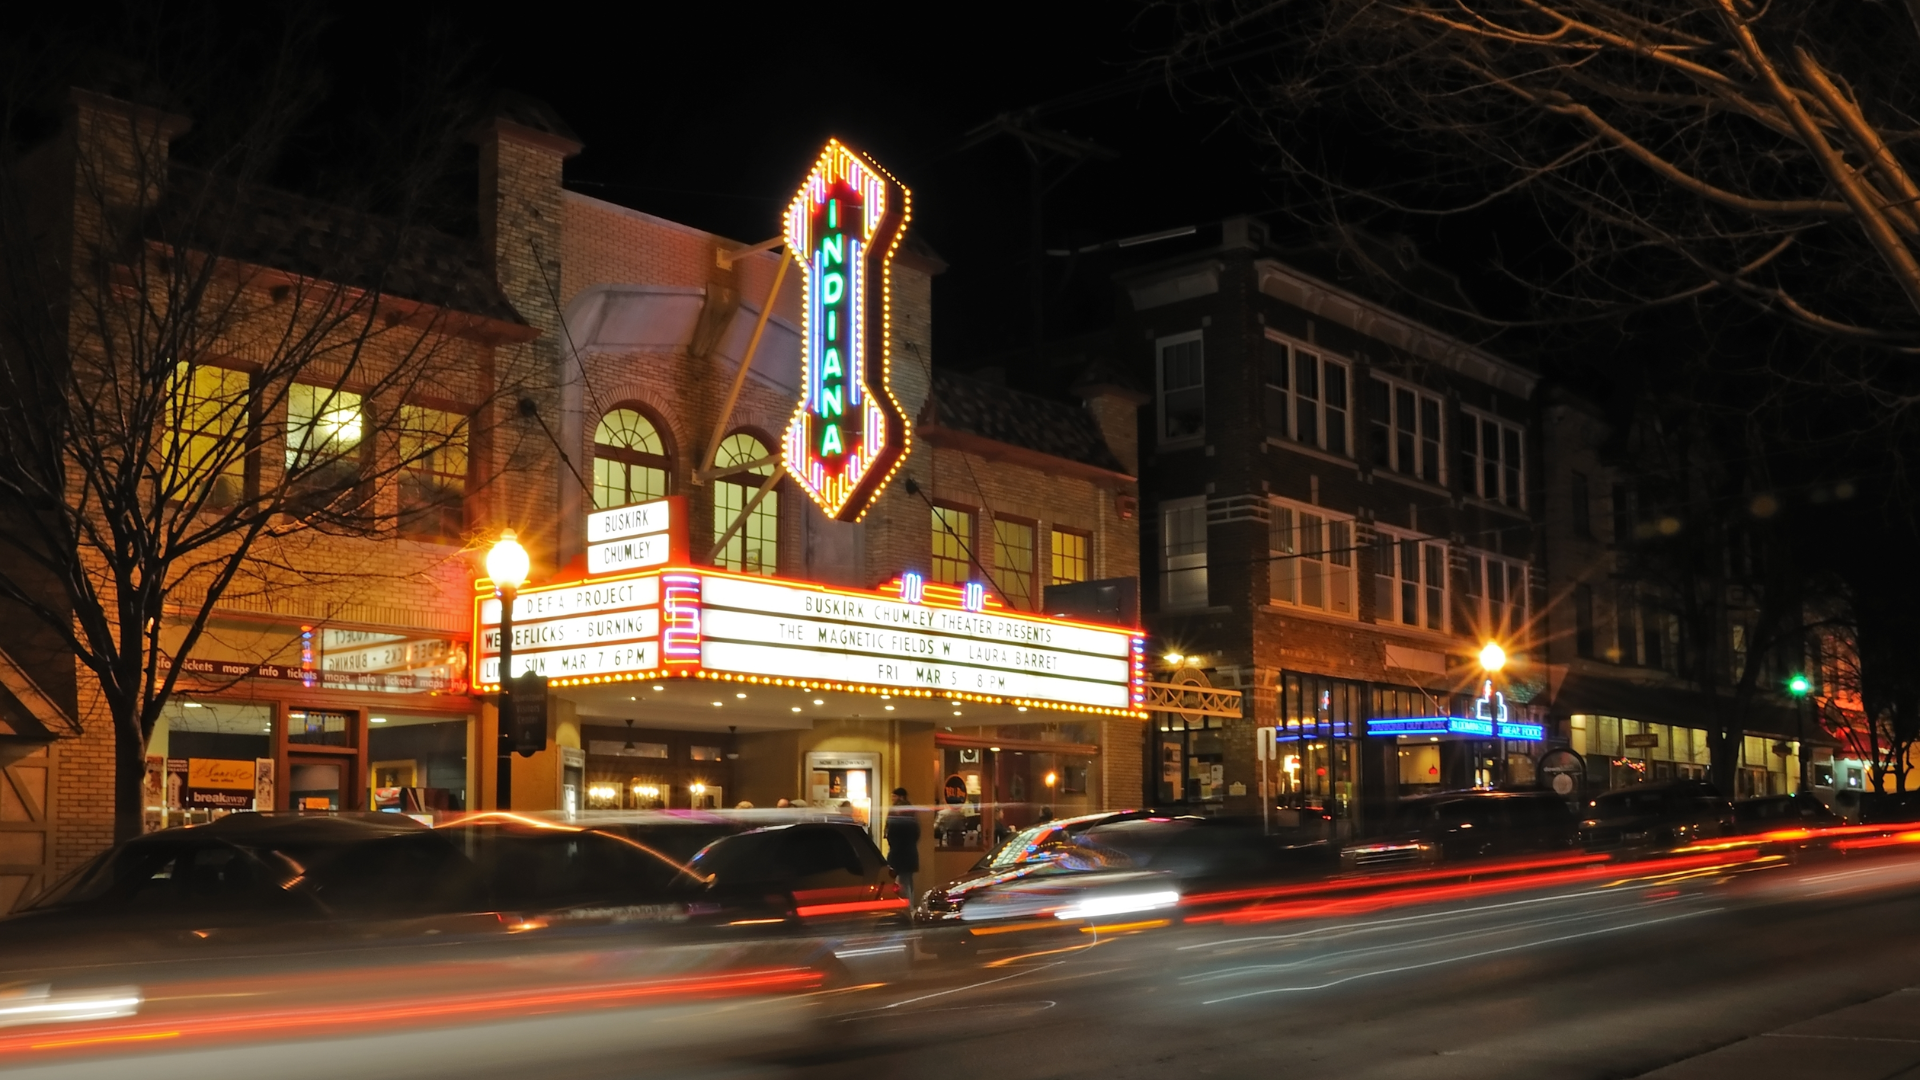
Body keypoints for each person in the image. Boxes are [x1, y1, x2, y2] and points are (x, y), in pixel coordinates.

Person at [885, 787, 921, 907]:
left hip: (898, 854)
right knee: (907, 881)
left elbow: (891, 836)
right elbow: (916, 835)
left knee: (901, 883)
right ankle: (910, 906)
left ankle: (905, 907)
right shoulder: (912, 819)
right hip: (910, 853)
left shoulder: (896, 820)